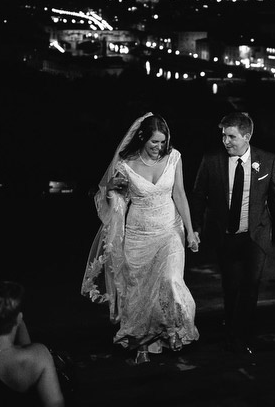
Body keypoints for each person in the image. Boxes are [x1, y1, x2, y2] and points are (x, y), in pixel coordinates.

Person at [81, 112, 200, 364]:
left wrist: (190, 231)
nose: (159, 147)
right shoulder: (126, 164)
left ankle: (173, 328)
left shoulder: (174, 157)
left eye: (163, 142)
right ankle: (143, 340)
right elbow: (118, 202)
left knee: (170, 280)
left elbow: (179, 194)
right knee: (140, 292)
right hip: (138, 235)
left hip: (170, 230)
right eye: (154, 142)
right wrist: (112, 191)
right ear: (143, 138)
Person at [190, 111, 275, 356]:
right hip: (226, 236)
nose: (225, 141)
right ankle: (234, 329)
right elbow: (197, 196)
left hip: (255, 236)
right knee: (231, 287)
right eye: (223, 136)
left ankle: (238, 337)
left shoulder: (266, 160)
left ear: (246, 136)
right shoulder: (212, 160)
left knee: (251, 285)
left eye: (231, 136)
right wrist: (194, 227)